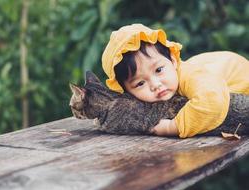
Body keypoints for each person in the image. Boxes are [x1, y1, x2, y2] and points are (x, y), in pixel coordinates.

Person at [101, 23, 249, 138]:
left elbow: (212, 101)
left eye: (159, 70)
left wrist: (173, 126)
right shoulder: (170, 81)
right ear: (126, 91)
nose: (155, 85)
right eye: (140, 83)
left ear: (173, 60)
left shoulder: (191, 75)